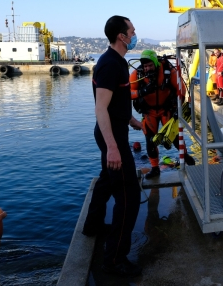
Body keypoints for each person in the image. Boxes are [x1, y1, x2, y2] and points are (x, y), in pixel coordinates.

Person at [82, 15, 143, 277]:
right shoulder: (109, 65)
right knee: (129, 198)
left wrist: (131, 120)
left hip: (115, 132)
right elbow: (100, 108)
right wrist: (113, 148)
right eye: (131, 30)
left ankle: (92, 226)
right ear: (122, 36)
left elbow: (115, 104)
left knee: (108, 180)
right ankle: (115, 259)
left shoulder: (116, 62)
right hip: (112, 138)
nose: (134, 34)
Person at [130, 49, 195, 179]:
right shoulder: (137, 74)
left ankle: (185, 156)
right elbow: (127, 93)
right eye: (145, 66)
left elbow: (180, 90)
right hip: (149, 112)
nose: (147, 69)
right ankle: (155, 168)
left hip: (166, 109)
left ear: (156, 63)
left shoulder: (168, 71)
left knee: (175, 137)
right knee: (150, 140)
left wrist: (178, 108)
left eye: (150, 65)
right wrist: (142, 92)